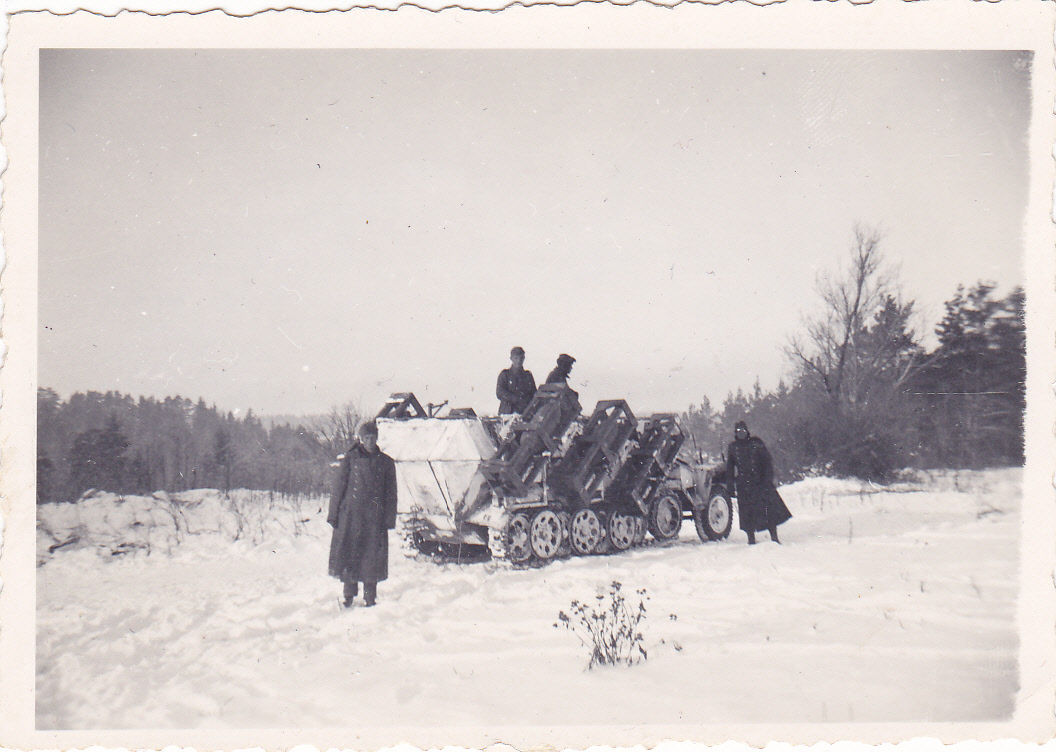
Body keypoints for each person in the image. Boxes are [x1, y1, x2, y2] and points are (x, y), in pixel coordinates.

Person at [327, 419, 398, 608]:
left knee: (371, 558)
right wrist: (333, 514)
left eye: (373, 437)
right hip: (351, 516)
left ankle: (370, 596)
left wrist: (389, 518)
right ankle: (348, 595)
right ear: (360, 439)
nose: (370, 441)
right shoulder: (350, 460)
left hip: (374, 518)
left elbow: (391, 493)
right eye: (366, 437)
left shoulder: (386, 462)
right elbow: (339, 487)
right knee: (350, 554)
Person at [726, 420, 792, 544]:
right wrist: (730, 485)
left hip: (760, 482)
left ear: (747, 431)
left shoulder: (756, 443)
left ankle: (774, 537)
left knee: (768, 511)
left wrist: (767, 479)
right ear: (735, 433)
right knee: (747, 514)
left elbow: (767, 462)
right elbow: (730, 468)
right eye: (738, 431)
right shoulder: (733, 447)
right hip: (744, 485)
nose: (741, 433)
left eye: (743, 431)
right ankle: (751, 539)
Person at [496, 346, 537, 415]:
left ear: (524, 358)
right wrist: (515, 399)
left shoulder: (528, 376)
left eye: (521, 358)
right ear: (511, 358)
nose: (518, 361)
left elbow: (534, 394)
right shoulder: (505, 374)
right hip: (507, 412)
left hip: (524, 412)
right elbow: (499, 392)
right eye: (516, 358)